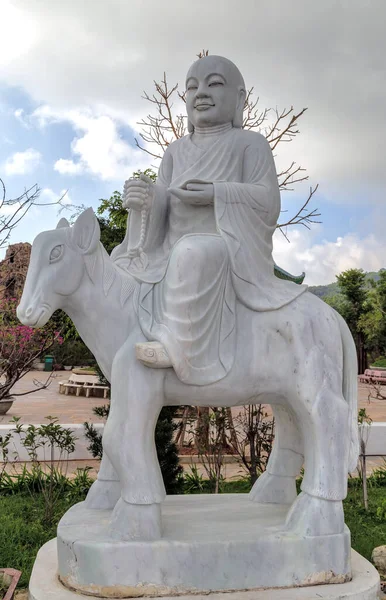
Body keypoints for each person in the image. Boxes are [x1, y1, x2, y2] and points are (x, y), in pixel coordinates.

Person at [112, 55, 306, 385]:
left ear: (239, 99)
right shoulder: (174, 151)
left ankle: (182, 350)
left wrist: (217, 193)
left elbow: (269, 201)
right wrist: (146, 198)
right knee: (120, 262)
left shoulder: (250, 144)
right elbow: (163, 198)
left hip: (226, 247)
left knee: (193, 252)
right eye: (191, 87)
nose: (200, 92)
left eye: (214, 83)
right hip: (169, 249)